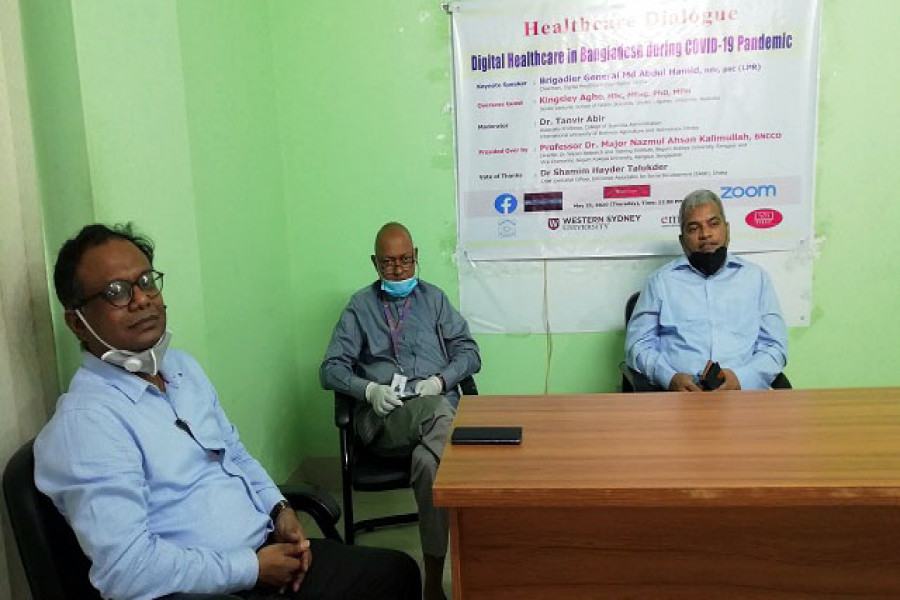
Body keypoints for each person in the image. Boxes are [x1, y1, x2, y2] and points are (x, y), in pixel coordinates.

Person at [34, 224, 421, 600]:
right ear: (77, 322)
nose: (141, 299)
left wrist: (279, 508)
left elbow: (233, 453)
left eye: (147, 281)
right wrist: (251, 568)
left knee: (396, 574)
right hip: (207, 586)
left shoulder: (181, 369)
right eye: (116, 292)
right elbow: (126, 570)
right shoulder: (89, 423)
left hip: (263, 553)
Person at [319, 222, 481, 600]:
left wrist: (441, 379)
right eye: (388, 262)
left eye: (405, 260)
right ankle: (484, 520)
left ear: (416, 257)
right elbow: (330, 369)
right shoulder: (359, 307)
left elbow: (470, 353)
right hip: (387, 418)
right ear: (374, 263)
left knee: (429, 464)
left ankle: (432, 583)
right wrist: (368, 389)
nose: (398, 269)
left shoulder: (434, 299)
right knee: (440, 415)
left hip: (435, 414)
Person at [625, 189, 788, 391]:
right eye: (694, 228)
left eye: (714, 224)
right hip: (679, 398)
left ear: (727, 230)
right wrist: (669, 378)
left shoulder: (757, 279)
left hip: (743, 397)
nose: (705, 234)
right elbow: (638, 346)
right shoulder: (659, 282)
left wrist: (741, 379)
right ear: (682, 240)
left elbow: (775, 347)